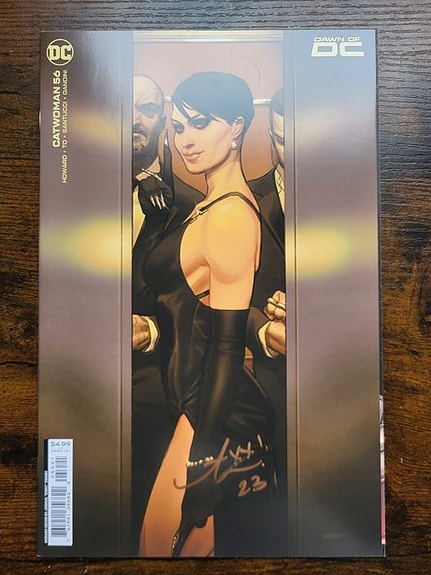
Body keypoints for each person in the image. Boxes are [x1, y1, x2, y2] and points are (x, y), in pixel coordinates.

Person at [139, 72, 278, 558]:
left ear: (237, 127)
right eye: (178, 127)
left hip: (212, 408)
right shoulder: (207, 205)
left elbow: (226, 346)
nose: (186, 140)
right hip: (191, 399)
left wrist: (202, 467)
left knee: (162, 547)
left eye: (200, 124)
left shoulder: (231, 216)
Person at [131, 74, 203, 553]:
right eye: (127, 108)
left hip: (153, 388)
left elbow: (199, 310)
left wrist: (154, 331)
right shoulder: (69, 192)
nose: (136, 119)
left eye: (148, 109)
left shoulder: (192, 208)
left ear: (163, 122)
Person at [246, 88, 287, 552]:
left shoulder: (350, 193)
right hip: (273, 374)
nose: (288, 152)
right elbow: (224, 297)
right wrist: (263, 328)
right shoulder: (247, 200)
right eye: (279, 140)